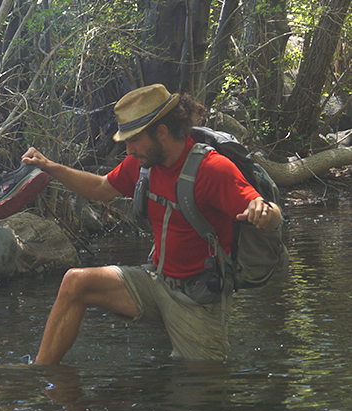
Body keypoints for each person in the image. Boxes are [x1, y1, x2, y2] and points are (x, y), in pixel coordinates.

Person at [21, 84, 283, 365]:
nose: (129, 149)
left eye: (134, 139)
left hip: (196, 300)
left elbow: (269, 214)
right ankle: (40, 374)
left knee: (202, 389)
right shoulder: (142, 164)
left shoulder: (213, 169)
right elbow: (101, 187)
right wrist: (50, 166)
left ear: (161, 132)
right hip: (155, 281)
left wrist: (266, 213)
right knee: (76, 281)